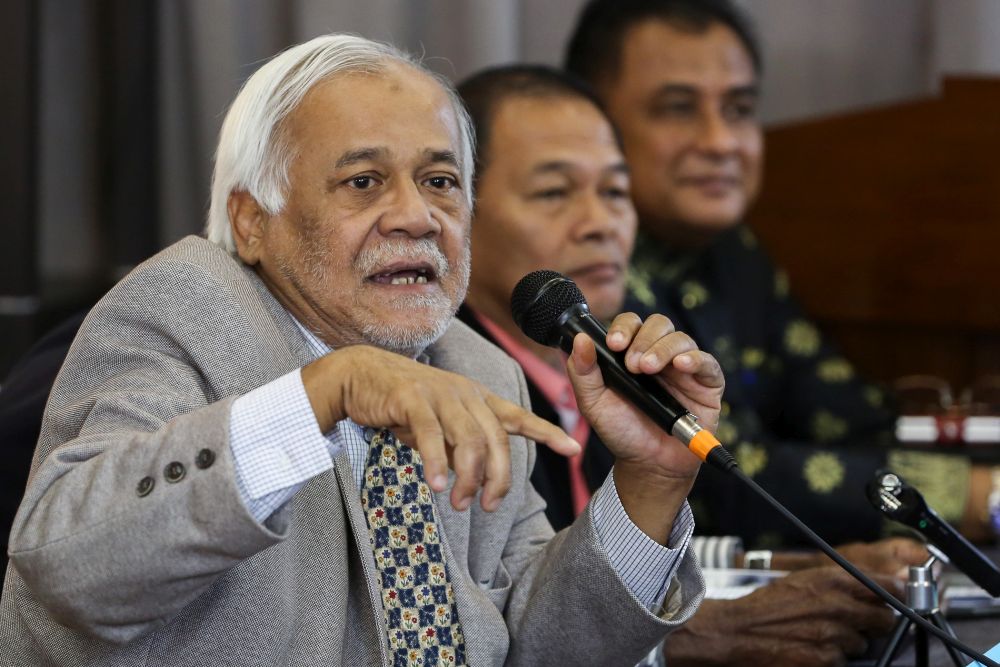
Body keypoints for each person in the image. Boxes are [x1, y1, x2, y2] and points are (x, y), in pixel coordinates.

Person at [0, 35, 723, 666]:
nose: (417, 216)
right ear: (251, 220)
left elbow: (535, 645)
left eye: (440, 181)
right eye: (364, 181)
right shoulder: (182, 310)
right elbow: (67, 565)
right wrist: (321, 395)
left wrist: (648, 484)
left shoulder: (476, 366)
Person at [456, 62, 908, 667]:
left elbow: (599, 562)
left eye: (616, 192)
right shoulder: (454, 383)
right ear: (458, 211)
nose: (601, 224)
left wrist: (788, 565)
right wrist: (682, 639)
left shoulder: (614, 358)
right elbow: (508, 624)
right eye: (554, 193)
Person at [564, 0, 997, 550]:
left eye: (740, 109)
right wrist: (980, 498)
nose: (721, 141)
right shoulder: (591, 268)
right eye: (678, 108)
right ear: (591, 122)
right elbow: (730, 476)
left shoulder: (732, 249)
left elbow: (848, 415)